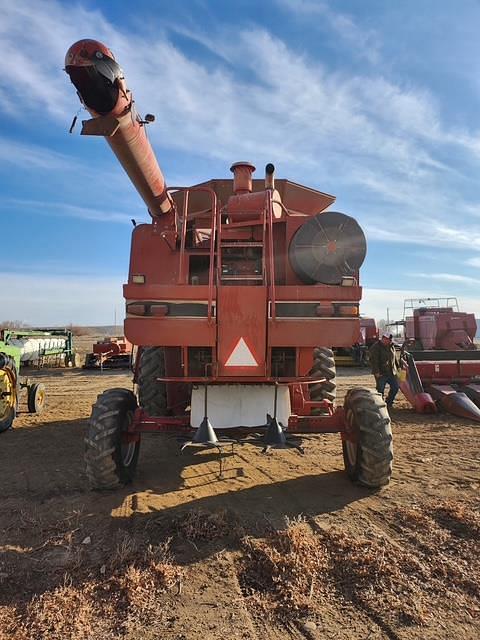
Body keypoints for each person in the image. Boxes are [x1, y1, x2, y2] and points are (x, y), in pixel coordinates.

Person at [369, 333, 399, 409]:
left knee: (395, 387)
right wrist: (376, 372)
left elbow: (394, 359)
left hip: (391, 372)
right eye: (388, 340)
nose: (389, 341)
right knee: (380, 389)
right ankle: (380, 405)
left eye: (390, 340)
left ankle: (389, 402)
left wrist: (398, 368)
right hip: (381, 373)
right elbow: (373, 361)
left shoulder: (391, 347)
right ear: (383, 339)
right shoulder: (376, 347)